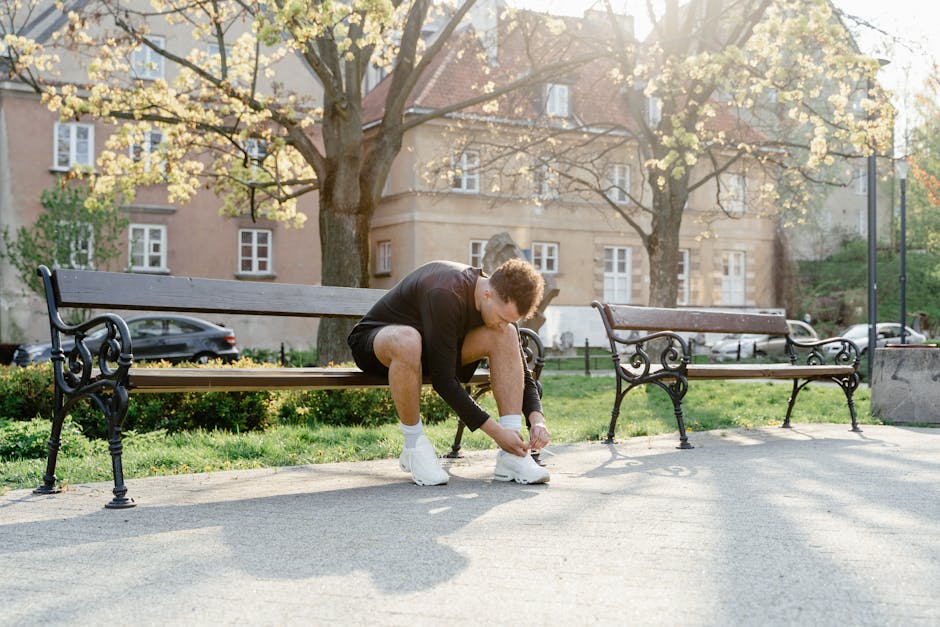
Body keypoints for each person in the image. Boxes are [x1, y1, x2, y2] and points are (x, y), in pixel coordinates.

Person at [347, 258, 550, 486]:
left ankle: (513, 454)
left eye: (510, 320)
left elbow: (522, 371)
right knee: (408, 340)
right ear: (487, 294)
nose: (503, 323)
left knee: (508, 335)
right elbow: (443, 381)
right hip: (377, 342)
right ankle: (414, 446)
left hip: (431, 349)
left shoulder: (496, 306)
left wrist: (536, 418)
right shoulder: (445, 291)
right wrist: (495, 432)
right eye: (503, 318)